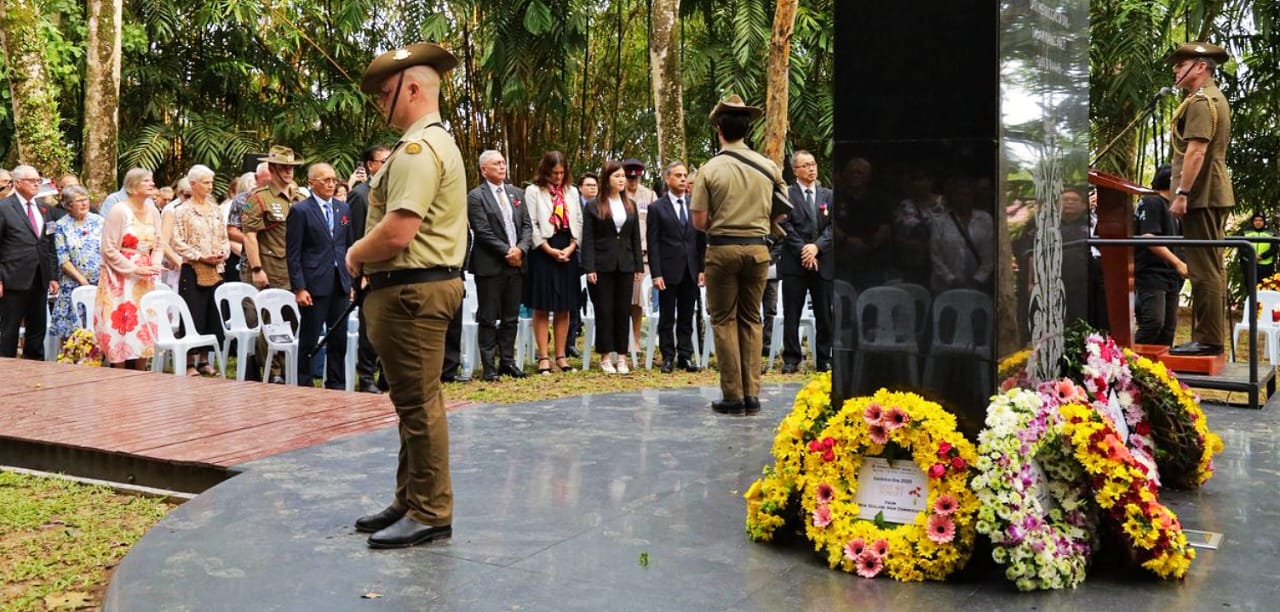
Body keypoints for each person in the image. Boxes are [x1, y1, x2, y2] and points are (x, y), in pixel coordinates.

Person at [346, 42, 466, 549]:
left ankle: (432, 510)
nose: (379, 104)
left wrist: (354, 255)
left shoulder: (418, 150)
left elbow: (399, 230)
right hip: (411, 291)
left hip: (412, 292)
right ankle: (411, 499)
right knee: (412, 403)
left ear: (412, 89)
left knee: (419, 406)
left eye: (384, 95)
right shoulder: (428, 143)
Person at [690, 95, 781, 416]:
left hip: (723, 249)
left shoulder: (710, 168)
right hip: (759, 249)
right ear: (746, 130)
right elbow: (783, 212)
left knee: (724, 320)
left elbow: (699, 221)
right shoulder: (768, 166)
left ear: (720, 132)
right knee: (751, 318)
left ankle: (733, 395)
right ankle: (752, 394)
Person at [1165, 42, 1234, 356]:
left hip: (1202, 193)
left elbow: (1196, 151)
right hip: (1210, 191)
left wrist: (1182, 193)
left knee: (1203, 268)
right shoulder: (1208, 98)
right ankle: (1210, 337)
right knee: (1210, 266)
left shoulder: (1202, 102)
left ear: (1201, 66)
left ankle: (1207, 339)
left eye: (1181, 65)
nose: (1176, 70)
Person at [287, 162, 353, 388]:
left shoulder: (343, 209)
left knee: (339, 337)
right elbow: (293, 253)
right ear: (311, 183)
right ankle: (305, 382)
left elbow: (347, 244)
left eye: (334, 180)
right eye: (325, 180)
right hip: (314, 283)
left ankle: (336, 383)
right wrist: (299, 287)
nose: (331, 184)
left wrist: (352, 279)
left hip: (339, 281)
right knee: (310, 337)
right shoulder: (301, 210)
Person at [467, 150, 531, 381]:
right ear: (484, 170)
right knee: (488, 317)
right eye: (496, 164)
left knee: (510, 317)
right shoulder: (476, 196)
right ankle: (489, 367)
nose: (502, 167)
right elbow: (482, 231)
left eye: (503, 162)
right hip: (490, 265)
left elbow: (527, 226)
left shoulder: (516, 193)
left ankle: (507, 361)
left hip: (516, 263)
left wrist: (521, 249)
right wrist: (507, 251)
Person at [244, 145, 306, 383]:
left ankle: (289, 365)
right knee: (271, 320)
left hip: (296, 267)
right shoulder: (259, 198)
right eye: (283, 167)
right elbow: (250, 236)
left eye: (291, 167)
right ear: (272, 169)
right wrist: (257, 268)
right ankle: (274, 370)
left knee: (292, 318)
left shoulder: (300, 197)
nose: (288, 172)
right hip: (272, 265)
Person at [94, 168, 163, 368]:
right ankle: (119, 369)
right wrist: (133, 268)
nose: (152, 184)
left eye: (151, 180)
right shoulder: (119, 210)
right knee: (121, 322)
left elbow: (158, 244)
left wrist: (155, 264)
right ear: (132, 188)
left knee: (143, 321)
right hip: (120, 276)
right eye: (146, 181)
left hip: (145, 275)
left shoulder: (153, 210)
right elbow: (108, 248)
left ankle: (141, 368)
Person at [524, 151, 583, 374]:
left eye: (561, 173)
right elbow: (531, 223)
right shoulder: (533, 191)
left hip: (567, 248)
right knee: (542, 306)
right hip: (543, 251)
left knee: (564, 306)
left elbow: (578, 220)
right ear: (546, 171)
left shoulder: (572, 192)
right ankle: (543, 357)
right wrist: (548, 249)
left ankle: (561, 355)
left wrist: (571, 247)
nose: (558, 177)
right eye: (554, 173)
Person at [582, 161, 643, 374]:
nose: (621, 179)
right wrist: (589, 267)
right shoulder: (594, 205)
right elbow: (587, 239)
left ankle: (622, 357)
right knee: (604, 310)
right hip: (601, 265)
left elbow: (635, 237)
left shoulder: (630, 205)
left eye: (623, 176)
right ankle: (606, 355)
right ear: (607, 179)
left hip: (625, 265)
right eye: (616, 176)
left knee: (622, 310)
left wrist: (638, 266)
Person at [778, 150, 834, 373]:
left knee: (824, 312)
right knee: (792, 311)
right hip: (795, 262)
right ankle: (791, 358)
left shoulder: (828, 195)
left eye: (813, 164)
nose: (811, 168)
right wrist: (803, 249)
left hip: (823, 261)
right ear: (795, 171)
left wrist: (816, 247)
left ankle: (824, 357)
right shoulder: (787, 195)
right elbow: (785, 225)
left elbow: (833, 227)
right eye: (806, 165)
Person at [646, 161, 705, 373]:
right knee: (667, 316)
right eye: (678, 175)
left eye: (684, 175)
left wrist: (701, 269)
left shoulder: (694, 204)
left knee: (687, 315)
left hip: (690, 269)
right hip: (668, 270)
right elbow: (652, 244)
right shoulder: (656, 208)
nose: (682, 179)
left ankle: (685, 355)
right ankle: (668, 356)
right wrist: (656, 273)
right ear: (668, 179)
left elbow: (700, 240)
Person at [171, 165, 230, 376]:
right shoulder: (182, 210)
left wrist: (223, 252)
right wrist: (199, 256)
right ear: (193, 184)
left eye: (211, 182)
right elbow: (177, 241)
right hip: (193, 268)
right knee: (192, 313)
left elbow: (224, 237)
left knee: (212, 314)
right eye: (205, 182)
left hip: (215, 268)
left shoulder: (215, 210)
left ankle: (205, 360)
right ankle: (188, 362)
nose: (210, 186)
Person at [0, 166, 60, 358]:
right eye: (31, 180)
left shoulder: (45, 209)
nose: (36, 184)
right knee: (9, 330)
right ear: (17, 183)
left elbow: (49, 244)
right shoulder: (4, 208)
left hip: (39, 277)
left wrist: (52, 276)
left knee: (37, 329)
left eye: (38, 180)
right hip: (13, 277)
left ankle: (35, 367)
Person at [348, 144, 392, 393]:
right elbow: (355, 238)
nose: (388, 164)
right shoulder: (360, 194)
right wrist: (361, 272)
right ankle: (366, 377)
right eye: (383, 161)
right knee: (370, 329)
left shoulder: (393, 190)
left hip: (392, 270)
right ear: (370, 165)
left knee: (390, 328)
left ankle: (386, 375)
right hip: (367, 272)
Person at [1134, 165, 1186, 346]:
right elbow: (1149, 237)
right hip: (1152, 272)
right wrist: (1178, 262)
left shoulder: (1174, 207)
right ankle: (1128, 362)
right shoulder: (1152, 202)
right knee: (1153, 323)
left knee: (1168, 328)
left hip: (1171, 274)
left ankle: (1161, 369)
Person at [49, 186, 104, 345]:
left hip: (99, 281)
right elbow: (63, 258)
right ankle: (69, 361)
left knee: (97, 326)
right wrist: (81, 280)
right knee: (71, 332)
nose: (84, 203)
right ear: (68, 205)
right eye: (78, 201)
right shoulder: (60, 225)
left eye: (85, 199)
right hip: (73, 283)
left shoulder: (99, 221)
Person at [622, 159, 656, 353]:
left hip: (643, 255)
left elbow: (653, 225)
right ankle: (621, 339)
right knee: (623, 300)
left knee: (638, 301)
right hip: (623, 253)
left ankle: (635, 340)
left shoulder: (649, 195)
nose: (633, 181)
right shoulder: (617, 194)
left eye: (636, 178)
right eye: (629, 177)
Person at [1240, 213, 1276, 284]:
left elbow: (1275, 248)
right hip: (1249, 264)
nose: (1258, 222)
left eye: (1260, 220)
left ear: (1264, 222)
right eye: (1256, 220)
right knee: (1250, 287)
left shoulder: (1271, 233)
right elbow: (1241, 247)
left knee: (1265, 287)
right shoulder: (1245, 232)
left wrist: (1262, 256)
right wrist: (1252, 255)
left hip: (1266, 265)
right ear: (1252, 222)